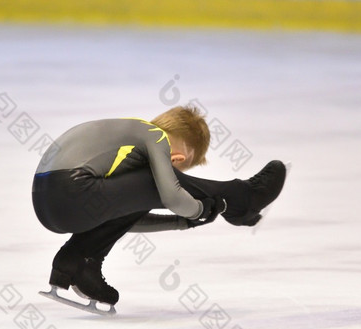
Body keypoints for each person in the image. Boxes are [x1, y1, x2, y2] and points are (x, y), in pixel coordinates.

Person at [32, 106, 286, 312]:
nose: (176, 171)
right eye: (180, 169)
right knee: (154, 181)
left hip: (51, 205)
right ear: (180, 154)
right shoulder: (153, 135)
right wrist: (198, 210)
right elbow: (172, 196)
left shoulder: (125, 142)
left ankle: (77, 261)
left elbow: (125, 214)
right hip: (72, 192)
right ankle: (241, 197)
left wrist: (182, 222)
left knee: (141, 190)